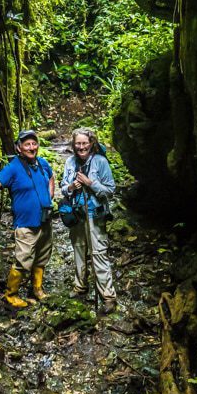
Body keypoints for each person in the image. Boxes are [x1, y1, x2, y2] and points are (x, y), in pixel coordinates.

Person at [0, 130, 55, 308]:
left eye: (34, 144)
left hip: (45, 220)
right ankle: (11, 294)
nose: (31, 147)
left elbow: (51, 177)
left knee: (42, 256)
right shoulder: (13, 167)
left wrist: (50, 196)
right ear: (19, 148)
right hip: (26, 223)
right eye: (27, 144)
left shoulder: (42, 164)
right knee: (23, 260)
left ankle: (37, 289)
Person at [60, 127, 117, 315]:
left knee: (99, 253)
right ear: (74, 144)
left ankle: (108, 297)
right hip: (77, 215)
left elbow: (110, 190)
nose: (81, 147)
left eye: (85, 143)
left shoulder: (100, 162)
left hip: (95, 215)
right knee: (78, 251)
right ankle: (80, 287)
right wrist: (71, 186)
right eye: (78, 143)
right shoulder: (69, 162)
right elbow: (62, 188)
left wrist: (90, 183)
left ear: (91, 143)